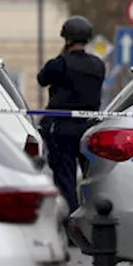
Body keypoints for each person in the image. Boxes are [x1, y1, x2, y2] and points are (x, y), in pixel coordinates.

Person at [38, 15, 106, 214]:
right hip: (88, 127)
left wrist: (61, 56)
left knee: (64, 176)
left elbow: (42, 79)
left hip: (62, 127)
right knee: (89, 177)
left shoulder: (59, 64)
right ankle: (92, 216)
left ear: (66, 39)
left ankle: (69, 219)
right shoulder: (98, 65)